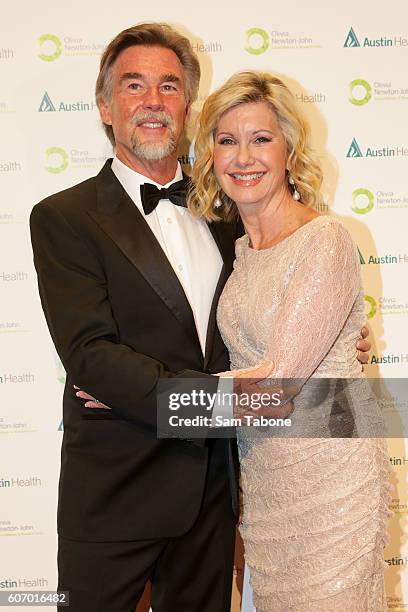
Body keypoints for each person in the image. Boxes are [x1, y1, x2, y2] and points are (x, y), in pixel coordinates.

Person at [30, 23, 371, 612]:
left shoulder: (229, 214)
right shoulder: (64, 218)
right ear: (106, 107)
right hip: (116, 490)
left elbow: (279, 327)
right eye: (134, 85)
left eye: (169, 86)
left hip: (218, 492)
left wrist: (344, 339)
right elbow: (90, 354)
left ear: (188, 107)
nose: (154, 101)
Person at [188, 70, 390, 611]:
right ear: (211, 155)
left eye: (261, 139)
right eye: (227, 141)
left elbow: (275, 386)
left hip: (330, 487)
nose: (243, 157)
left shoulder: (322, 239)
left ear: (288, 150)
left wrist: (151, 401)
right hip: (267, 485)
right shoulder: (242, 251)